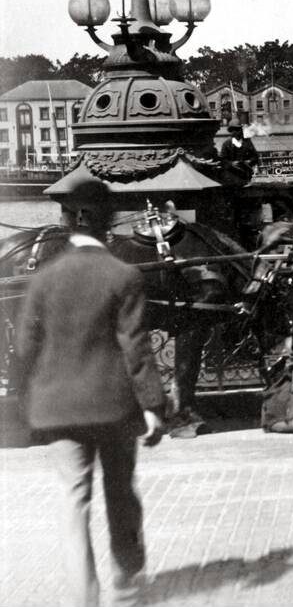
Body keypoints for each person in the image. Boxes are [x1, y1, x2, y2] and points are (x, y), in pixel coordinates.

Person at [13, 177, 167, 605]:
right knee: (120, 490)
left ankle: (84, 597)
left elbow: (24, 348)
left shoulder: (43, 279)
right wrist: (153, 405)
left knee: (73, 500)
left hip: (57, 408)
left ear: (66, 221)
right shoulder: (124, 275)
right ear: (109, 222)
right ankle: (128, 580)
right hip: (114, 406)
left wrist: (26, 402)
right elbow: (136, 349)